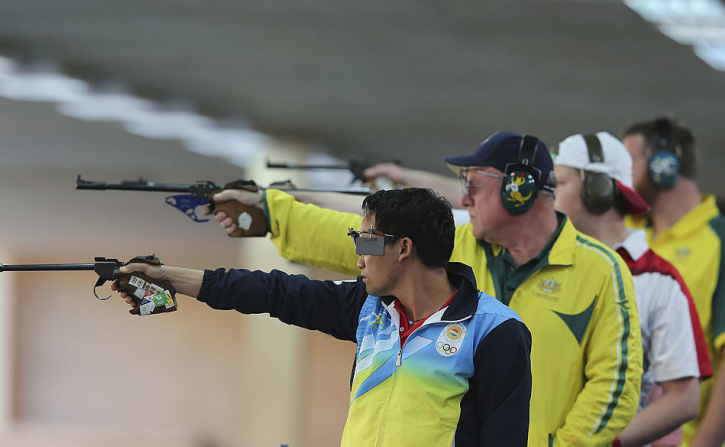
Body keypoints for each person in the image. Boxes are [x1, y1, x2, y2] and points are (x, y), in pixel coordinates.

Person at [210, 131, 643, 446]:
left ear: (519, 192)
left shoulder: (602, 270)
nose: (465, 199)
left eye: (473, 187)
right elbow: (348, 235)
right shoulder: (455, 246)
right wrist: (270, 210)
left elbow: (615, 388)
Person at [118, 188, 533, 446]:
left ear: (404, 248)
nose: (358, 256)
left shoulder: (494, 331)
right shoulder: (368, 309)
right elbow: (273, 292)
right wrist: (168, 277)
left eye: (366, 241)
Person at [553, 131, 712, 447]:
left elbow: (684, 399)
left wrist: (602, 442)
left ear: (597, 189)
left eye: (558, 183)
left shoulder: (659, 278)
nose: (547, 195)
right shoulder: (539, 262)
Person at [621, 117, 725, 447]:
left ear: (664, 164)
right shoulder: (629, 231)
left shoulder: (719, 239)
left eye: (630, 160)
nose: (621, 173)